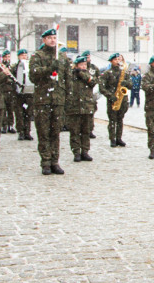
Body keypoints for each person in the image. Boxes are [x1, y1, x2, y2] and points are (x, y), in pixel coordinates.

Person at [29, 28, 66, 175]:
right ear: (44, 40)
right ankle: (45, 162)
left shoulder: (61, 56)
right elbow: (33, 75)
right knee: (44, 132)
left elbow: (67, 77)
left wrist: (67, 97)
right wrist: (49, 69)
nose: (52, 40)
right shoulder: (37, 56)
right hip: (43, 99)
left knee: (55, 132)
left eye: (54, 38)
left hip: (57, 99)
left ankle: (55, 161)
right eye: (49, 38)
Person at [65, 55, 96, 162]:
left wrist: (82, 74)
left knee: (86, 131)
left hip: (87, 107)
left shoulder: (88, 74)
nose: (83, 67)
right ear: (76, 65)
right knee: (75, 131)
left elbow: (93, 82)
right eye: (81, 65)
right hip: (74, 107)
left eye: (85, 65)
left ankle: (85, 151)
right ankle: (76, 152)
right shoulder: (71, 75)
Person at [99, 53, 130, 148]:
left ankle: (119, 138)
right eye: (115, 60)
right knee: (112, 120)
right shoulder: (107, 73)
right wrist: (110, 96)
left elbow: (131, 85)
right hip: (112, 100)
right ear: (111, 61)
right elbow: (102, 88)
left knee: (120, 120)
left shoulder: (124, 72)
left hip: (122, 99)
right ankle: (112, 139)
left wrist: (126, 83)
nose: (118, 61)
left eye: (119, 59)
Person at [13, 49, 34, 140]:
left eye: (25, 55)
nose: (24, 57)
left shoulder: (30, 66)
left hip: (29, 93)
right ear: (18, 56)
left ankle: (27, 132)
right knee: (19, 113)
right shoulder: (15, 67)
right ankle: (21, 132)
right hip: (18, 94)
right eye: (22, 55)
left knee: (28, 113)